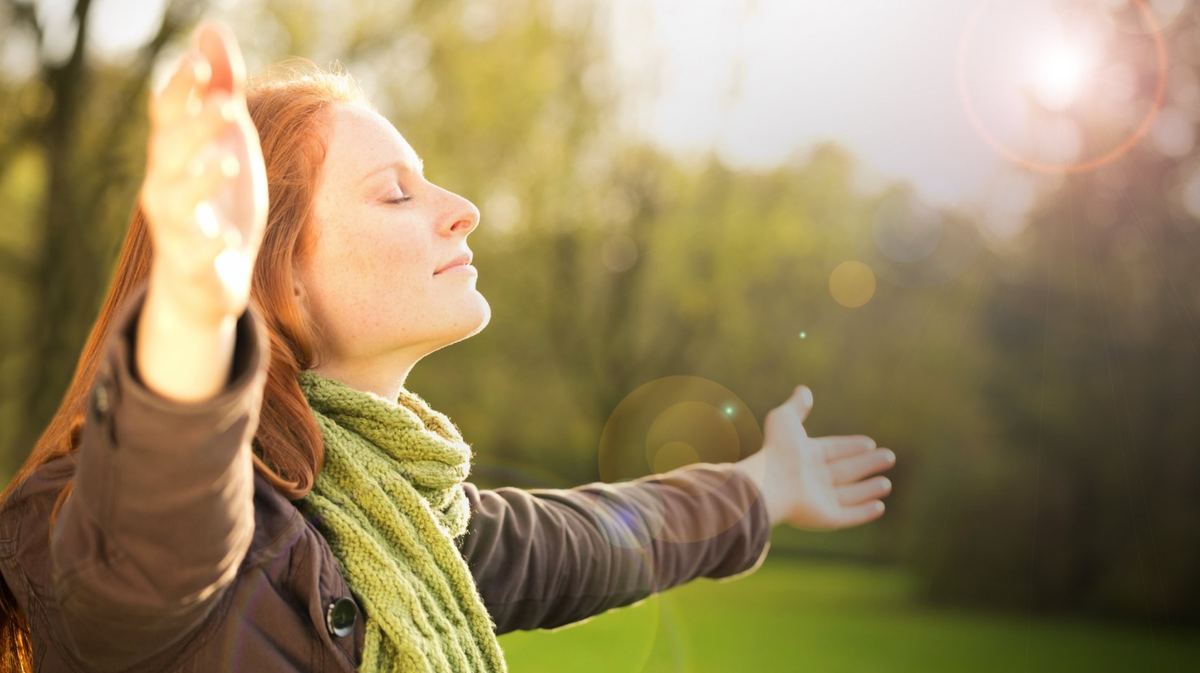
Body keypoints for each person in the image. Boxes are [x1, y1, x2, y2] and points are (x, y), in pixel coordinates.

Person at [0, 21, 896, 673]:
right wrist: (199, 298)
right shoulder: (130, 534)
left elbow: (597, 539)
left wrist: (765, 485)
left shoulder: (406, 525)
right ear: (275, 277)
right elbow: (165, 492)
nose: (462, 208)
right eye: (396, 194)